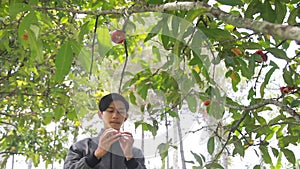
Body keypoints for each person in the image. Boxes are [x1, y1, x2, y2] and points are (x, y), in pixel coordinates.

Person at [64, 93, 147, 169]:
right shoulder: (81, 147)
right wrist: (95, 155)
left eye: (120, 112)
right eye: (110, 111)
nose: (115, 116)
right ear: (100, 114)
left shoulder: (135, 153)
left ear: (126, 117)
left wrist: (130, 159)